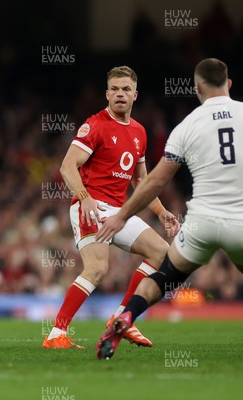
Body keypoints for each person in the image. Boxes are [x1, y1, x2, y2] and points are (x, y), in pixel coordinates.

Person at [96, 58, 243, 360]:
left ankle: (126, 315)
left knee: (166, 277)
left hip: (201, 222)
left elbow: (153, 182)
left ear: (198, 87)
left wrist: (122, 215)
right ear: (228, 84)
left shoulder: (187, 126)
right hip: (240, 220)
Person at [42, 66, 180, 349]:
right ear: (107, 94)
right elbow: (67, 166)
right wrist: (84, 197)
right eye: (115, 89)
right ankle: (56, 334)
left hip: (119, 212)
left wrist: (161, 211)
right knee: (97, 269)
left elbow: (142, 182)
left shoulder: (140, 132)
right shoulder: (95, 125)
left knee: (161, 253)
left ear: (135, 95)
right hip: (89, 206)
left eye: (126, 89)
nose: (120, 94)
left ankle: (121, 318)